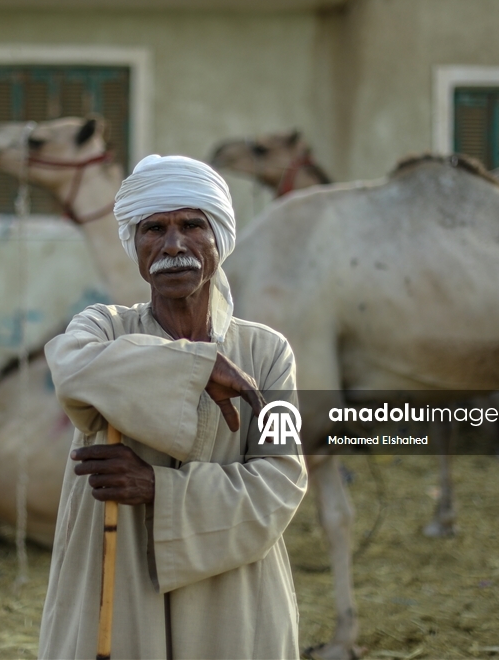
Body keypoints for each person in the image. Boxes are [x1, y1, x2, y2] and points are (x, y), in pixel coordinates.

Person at [38, 154, 307, 660]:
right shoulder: (101, 330)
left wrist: (158, 488)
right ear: (136, 246)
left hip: (233, 598)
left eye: (192, 225)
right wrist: (198, 366)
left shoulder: (269, 354)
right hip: (115, 584)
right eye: (154, 229)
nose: (174, 245)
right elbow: (71, 369)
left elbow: (282, 481)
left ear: (219, 236)